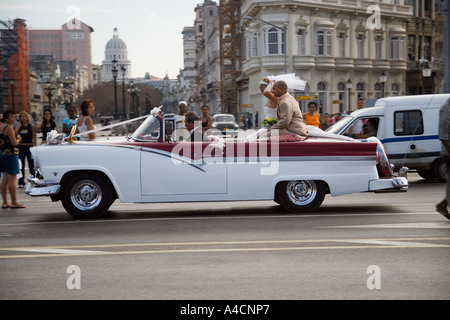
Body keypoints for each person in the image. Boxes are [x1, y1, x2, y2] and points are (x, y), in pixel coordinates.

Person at [0, 110, 25, 208]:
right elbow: (14, 143)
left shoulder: (1, 126)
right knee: (12, 179)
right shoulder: (9, 127)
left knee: (4, 178)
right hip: (11, 154)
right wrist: (19, 139)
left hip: (2, 153)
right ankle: (14, 202)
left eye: (14, 117)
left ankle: (5, 202)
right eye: (11, 117)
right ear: (6, 118)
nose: (13, 119)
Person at [436, 98, 450, 219]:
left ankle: (442, 205)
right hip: (448, 153)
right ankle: (443, 205)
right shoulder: (446, 109)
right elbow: (443, 136)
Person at [15, 112, 36, 188]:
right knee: (21, 165)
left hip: (29, 147)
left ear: (27, 117)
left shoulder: (31, 126)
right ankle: (21, 182)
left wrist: (35, 147)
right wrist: (18, 126)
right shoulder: (19, 126)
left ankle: (33, 180)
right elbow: (14, 133)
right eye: (22, 116)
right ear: (20, 118)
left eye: (24, 116)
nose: (23, 118)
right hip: (21, 147)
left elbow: (34, 137)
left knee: (31, 165)